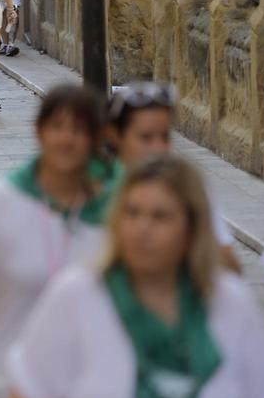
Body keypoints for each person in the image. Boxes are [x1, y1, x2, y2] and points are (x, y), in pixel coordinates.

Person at [5, 156, 264, 398]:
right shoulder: (76, 296)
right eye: (132, 213)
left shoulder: (230, 303)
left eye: (160, 216)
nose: (142, 228)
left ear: (192, 227)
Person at [0, 86, 117, 398]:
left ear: (96, 140)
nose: (67, 139)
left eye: (79, 131)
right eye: (58, 127)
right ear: (39, 132)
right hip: (4, 390)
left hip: (86, 396)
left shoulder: (118, 214)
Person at [104, 84, 242, 273]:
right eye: (146, 138)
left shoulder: (188, 189)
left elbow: (230, 267)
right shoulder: (98, 189)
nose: (158, 148)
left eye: (164, 137)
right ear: (115, 135)